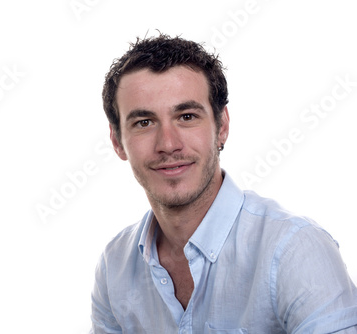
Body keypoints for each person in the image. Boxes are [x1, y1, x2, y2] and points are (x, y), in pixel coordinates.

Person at [90, 34, 357, 333]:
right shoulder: (114, 266)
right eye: (144, 123)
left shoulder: (295, 251)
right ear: (117, 141)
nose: (168, 144)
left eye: (187, 116)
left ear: (222, 127)